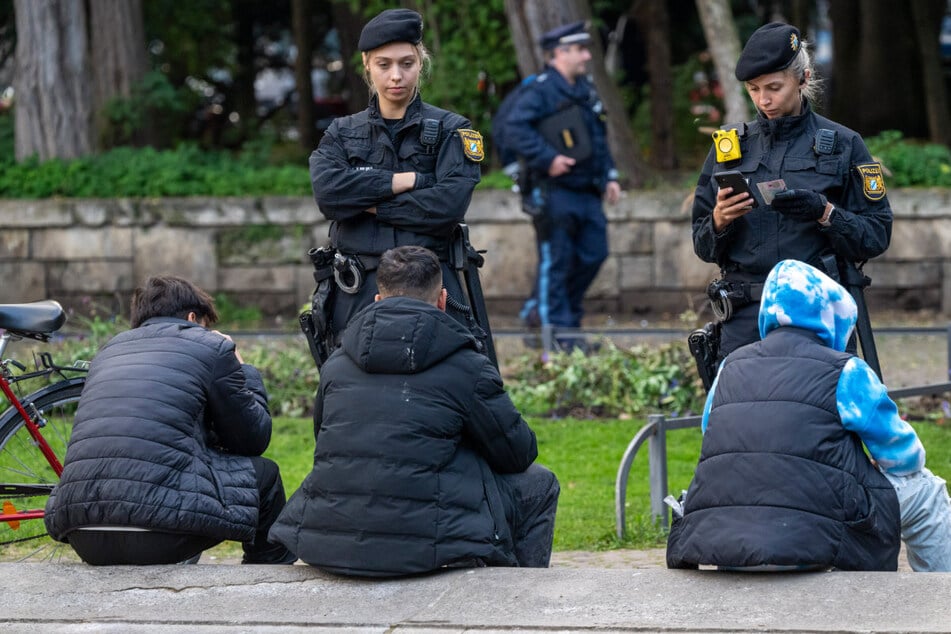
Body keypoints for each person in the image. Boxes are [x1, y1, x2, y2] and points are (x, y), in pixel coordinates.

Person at [270, 246, 560, 577]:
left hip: (330, 543)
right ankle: (514, 598)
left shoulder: (337, 364)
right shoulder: (466, 365)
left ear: (377, 300)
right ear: (442, 301)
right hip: (425, 547)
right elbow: (518, 454)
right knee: (539, 484)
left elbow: (325, 438)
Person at [667, 259, 951, 572]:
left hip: (724, 540)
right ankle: (941, 596)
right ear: (834, 317)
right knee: (927, 490)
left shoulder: (729, 367)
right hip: (812, 538)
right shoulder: (845, 370)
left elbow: (715, 436)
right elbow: (905, 456)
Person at [44, 276, 295, 566]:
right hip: (159, 537)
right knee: (266, 476)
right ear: (192, 317)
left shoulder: (109, 350)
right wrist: (243, 368)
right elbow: (253, 438)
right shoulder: (210, 347)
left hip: (85, 536)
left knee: (181, 473)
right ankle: (265, 585)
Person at [691, 22, 892, 363]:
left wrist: (825, 213)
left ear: (803, 78)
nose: (763, 100)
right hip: (744, 317)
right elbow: (702, 244)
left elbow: (876, 235)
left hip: (817, 314)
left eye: (774, 87)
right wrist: (719, 221)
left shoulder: (845, 144)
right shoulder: (729, 147)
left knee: (819, 413)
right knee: (741, 415)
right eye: (753, 89)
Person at [306, 8, 485, 358]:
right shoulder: (341, 132)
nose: (396, 76)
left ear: (421, 62)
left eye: (407, 63)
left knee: (449, 374)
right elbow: (328, 194)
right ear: (366, 65)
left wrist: (367, 203)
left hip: (432, 281)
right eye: (384, 64)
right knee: (350, 377)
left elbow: (446, 207)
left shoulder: (453, 129)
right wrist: (407, 181)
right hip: (356, 285)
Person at [505, 21, 622, 340]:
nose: (586, 56)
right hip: (555, 192)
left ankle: (547, 315)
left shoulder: (586, 89)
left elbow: (599, 135)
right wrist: (548, 158)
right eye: (580, 50)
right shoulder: (540, 89)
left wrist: (609, 175)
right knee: (556, 264)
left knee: (594, 254)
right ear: (559, 53)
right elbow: (514, 129)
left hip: (588, 191)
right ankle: (557, 338)